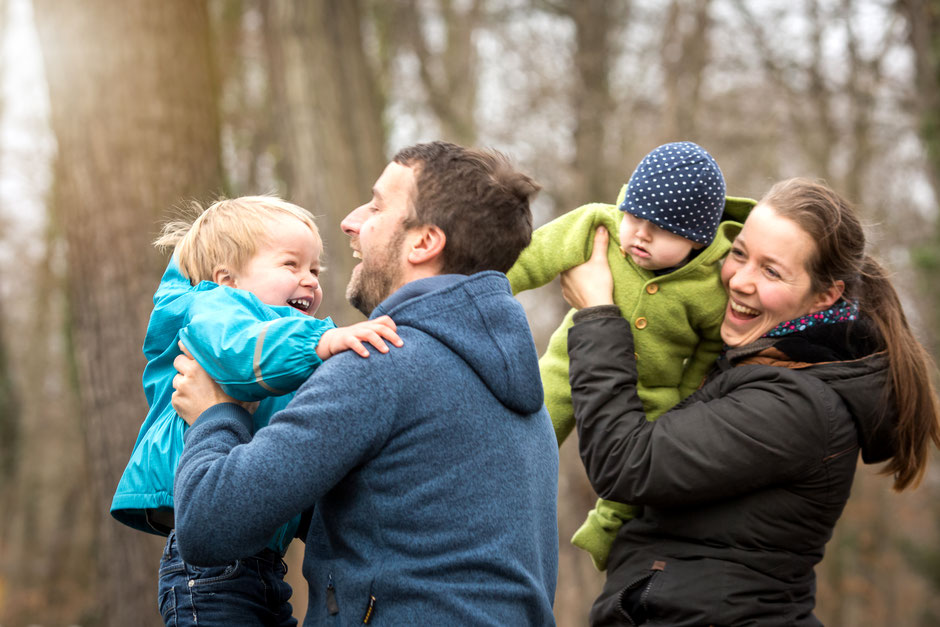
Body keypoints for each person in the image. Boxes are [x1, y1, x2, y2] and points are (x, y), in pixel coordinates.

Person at [169, 142, 560, 625]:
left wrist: (215, 412)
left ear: (423, 243)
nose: (351, 221)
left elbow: (209, 527)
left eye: (376, 206)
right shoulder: (518, 389)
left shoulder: (380, 364)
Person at [560, 178, 940, 626]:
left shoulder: (798, 405)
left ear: (825, 296)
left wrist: (598, 315)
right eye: (738, 253)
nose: (740, 280)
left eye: (771, 271)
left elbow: (628, 464)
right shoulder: (756, 360)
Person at [110, 196, 402, 627]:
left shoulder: (286, 344)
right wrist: (322, 342)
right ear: (227, 279)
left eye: (315, 270)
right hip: (208, 572)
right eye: (291, 265)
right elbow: (238, 354)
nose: (309, 281)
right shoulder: (212, 310)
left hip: (261, 563)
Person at [508, 141, 754, 570]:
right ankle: (496, 501)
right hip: (570, 364)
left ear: (696, 240)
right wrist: (482, 290)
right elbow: (530, 257)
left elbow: (706, 356)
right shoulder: (597, 225)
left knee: (635, 478)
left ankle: (606, 534)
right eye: (634, 215)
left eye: (660, 229)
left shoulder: (713, 286)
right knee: (529, 430)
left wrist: (684, 401)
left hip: (654, 393)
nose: (640, 233)